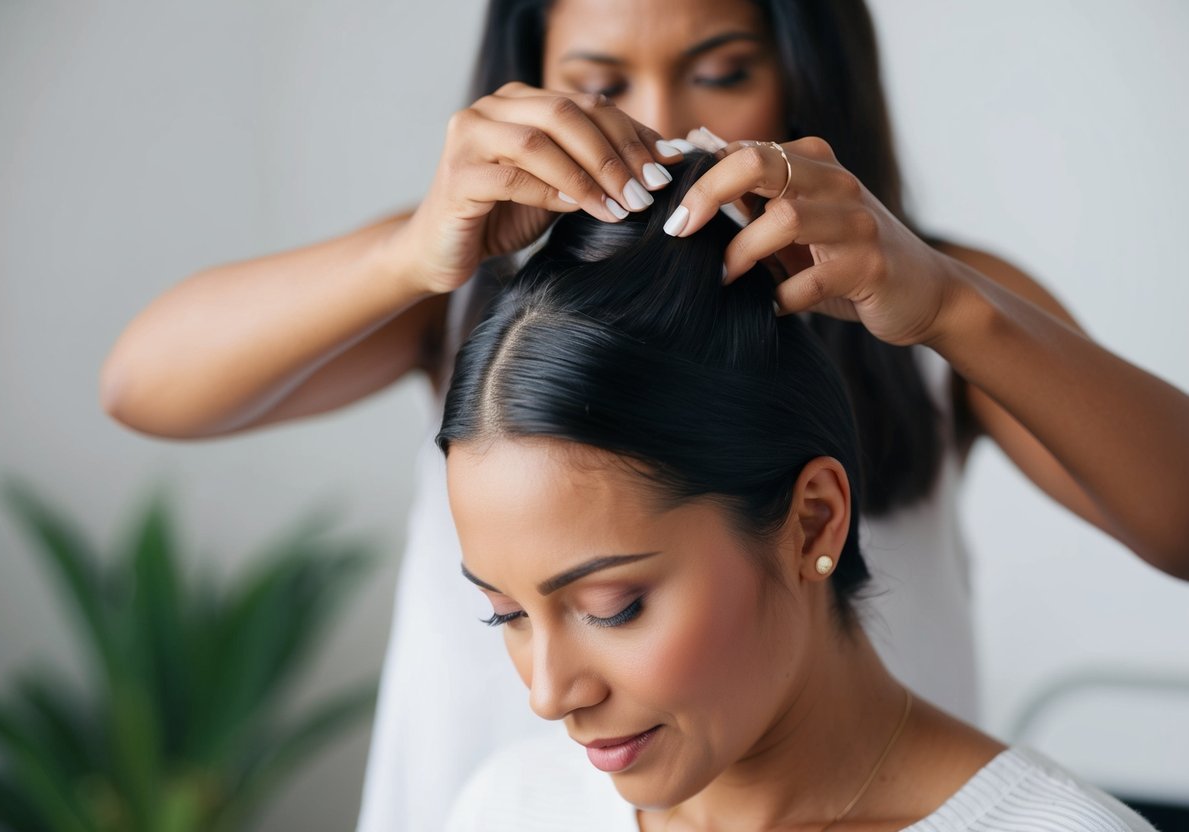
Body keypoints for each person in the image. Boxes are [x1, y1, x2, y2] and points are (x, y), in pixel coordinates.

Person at [97, 1, 1189, 829]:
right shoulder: (466, 293)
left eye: (720, 71)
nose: (661, 126)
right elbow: (141, 385)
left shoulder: (926, 302)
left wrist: (948, 302)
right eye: (598, 80)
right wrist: (410, 249)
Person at [438, 152, 1158, 831]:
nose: (548, 695)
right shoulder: (509, 807)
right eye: (506, 615)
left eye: (613, 609)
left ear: (812, 522)